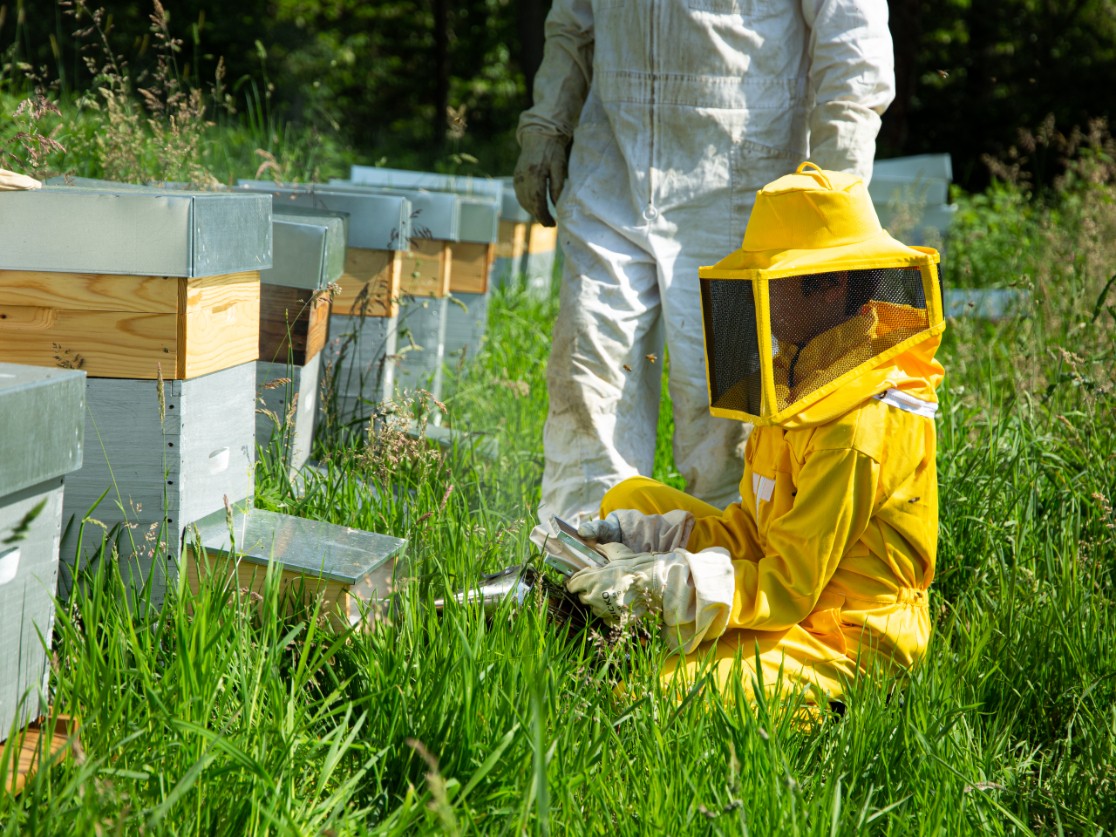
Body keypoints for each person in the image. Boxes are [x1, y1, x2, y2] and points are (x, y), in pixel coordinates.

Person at [566, 163, 946, 707]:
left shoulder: (858, 425)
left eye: (774, 284)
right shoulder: (802, 372)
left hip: (843, 635)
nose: (762, 308)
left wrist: (668, 587)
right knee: (631, 502)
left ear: (831, 285)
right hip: (786, 591)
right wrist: (649, 544)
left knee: (651, 694)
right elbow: (753, 528)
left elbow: (790, 585)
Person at [514, 0, 896, 529]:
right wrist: (550, 120)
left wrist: (832, 193)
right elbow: (575, 16)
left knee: (730, 405)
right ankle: (579, 561)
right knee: (588, 366)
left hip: (743, 181)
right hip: (611, 162)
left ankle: (726, 569)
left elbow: (852, 43)